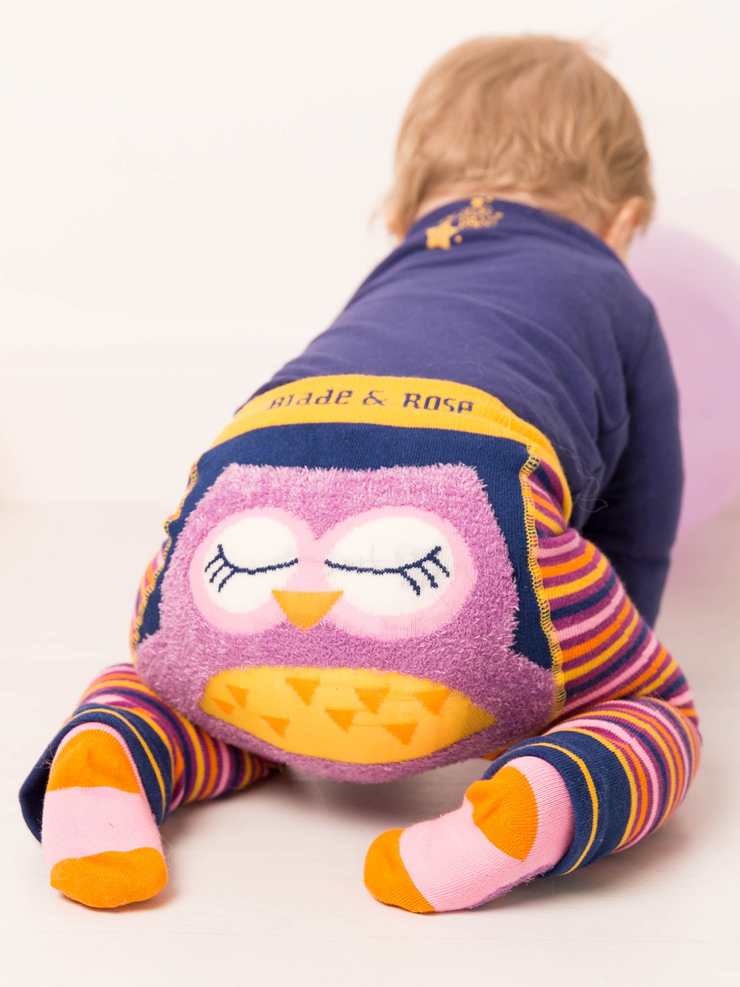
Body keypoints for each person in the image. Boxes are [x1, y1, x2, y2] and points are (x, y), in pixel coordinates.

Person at [21, 35, 700, 914]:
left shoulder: (398, 268)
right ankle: (529, 811)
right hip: (469, 515)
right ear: (622, 220)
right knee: (656, 714)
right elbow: (645, 506)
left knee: (201, 693)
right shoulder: (615, 289)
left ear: (406, 209)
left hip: (235, 495)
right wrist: (597, 667)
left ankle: (107, 759)